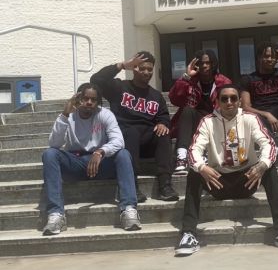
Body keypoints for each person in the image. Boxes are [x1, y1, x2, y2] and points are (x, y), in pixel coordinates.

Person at [174, 84, 278, 256]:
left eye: (233, 98)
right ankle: (188, 233)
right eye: (224, 99)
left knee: (268, 168)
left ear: (240, 101)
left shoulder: (251, 119)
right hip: (217, 182)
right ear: (217, 102)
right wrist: (202, 167)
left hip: (247, 180)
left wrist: (262, 165)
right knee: (195, 171)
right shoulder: (207, 122)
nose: (229, 102)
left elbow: (268, 143)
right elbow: (193, 150)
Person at [41, 83, 141, 235]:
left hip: (100, 164)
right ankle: (56, 214)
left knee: (123, 154)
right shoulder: (69, 116)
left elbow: (119, 141)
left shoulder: (105, 114)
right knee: (49, 154)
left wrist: (100, 151)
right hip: (75, 163)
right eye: (85, 98)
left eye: (93, 100)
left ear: (98, 102)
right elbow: (54, 144)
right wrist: (64, 115)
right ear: (78, 98)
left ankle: (128, 209)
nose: (89, 102)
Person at [90, 51, 178, 203]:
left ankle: (165, 185)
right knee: (132, 132)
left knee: (163, 134)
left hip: (147, 142)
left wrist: (163, 123)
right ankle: (131, 185)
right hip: (126, 139)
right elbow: (96, 79)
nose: (146, 72)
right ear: (134, 68)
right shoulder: (119, 87)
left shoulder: (156, 96)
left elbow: (163, 115)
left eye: (149, 69)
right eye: (141, 68)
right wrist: (123, 65)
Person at [169, 49, 231, 175]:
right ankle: (181, 157)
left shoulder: (223, 82)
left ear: (213, 64)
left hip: (215, 121)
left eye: (208, 63)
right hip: (194, 121)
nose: (204, 66)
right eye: (201, 63)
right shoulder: (190, 81)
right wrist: (186, 77)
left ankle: (206, 155)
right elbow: (174, 99)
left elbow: (229, 105)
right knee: (187, 111)